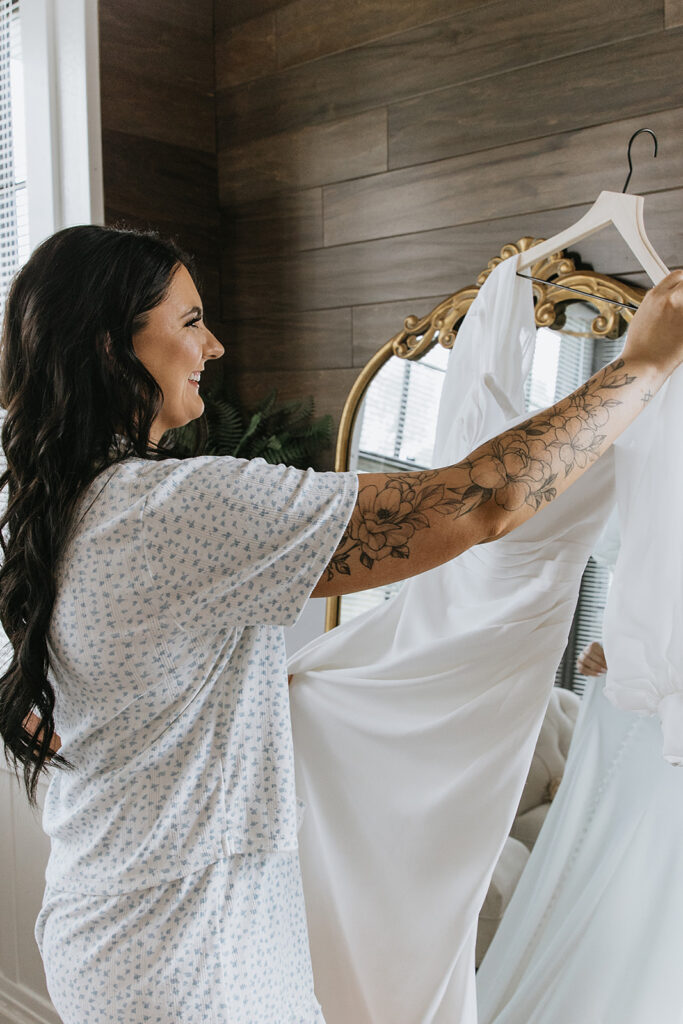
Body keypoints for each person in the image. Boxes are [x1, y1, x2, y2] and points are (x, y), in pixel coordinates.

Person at [1, 224, 682, 1024]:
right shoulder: (177, 508)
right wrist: (640, 368)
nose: (213, 346)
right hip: (187, 949)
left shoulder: (60, 506)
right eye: (189, 322)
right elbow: (478, 503)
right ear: (112, 348)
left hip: (116, 925)